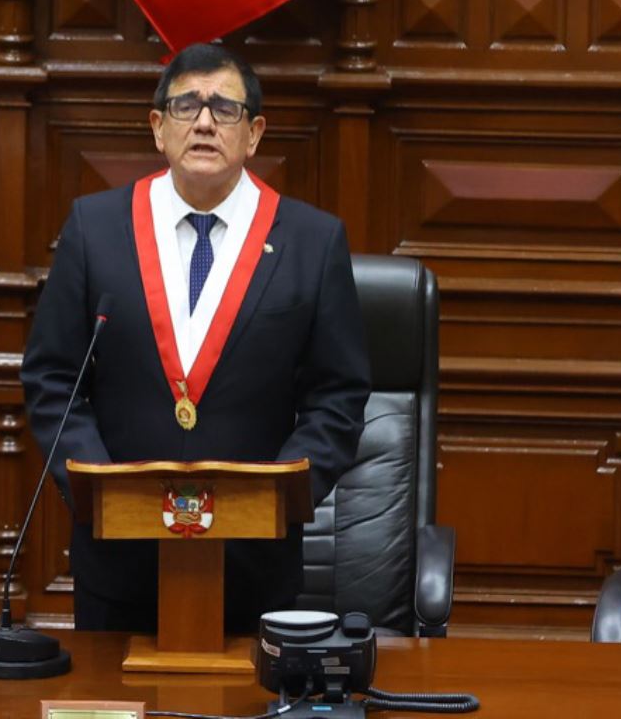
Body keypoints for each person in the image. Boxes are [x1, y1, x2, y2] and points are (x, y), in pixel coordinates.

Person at [21, 42, 370, 632]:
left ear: (254, 133)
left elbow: (338, 396)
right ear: (158, 128)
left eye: (225, 109)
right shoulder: (95, 227)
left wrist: (275, 498)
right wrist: (104, 493)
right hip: (119, 562)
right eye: (186, 105)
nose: (205, 122)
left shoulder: (313, 242)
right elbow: (52, 378)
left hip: (254, 565)